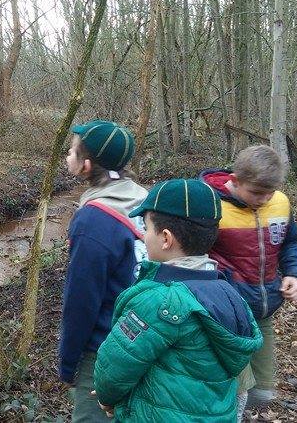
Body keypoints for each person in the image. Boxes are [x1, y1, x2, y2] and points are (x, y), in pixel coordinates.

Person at [93, 178, 264, 422]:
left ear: (165, 238)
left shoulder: (159, 301)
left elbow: (113, 369)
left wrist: (106, 398)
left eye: (146, 227)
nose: (143, 235)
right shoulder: (229, 293)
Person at [200, 145, 297, 412]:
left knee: (263, 392)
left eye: (270, 193)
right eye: (257, 193)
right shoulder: (211, 204)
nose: (264, 199)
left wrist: (294, 274)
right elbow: (196, 253)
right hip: (227, 312)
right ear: (235, 180)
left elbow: (290, 243)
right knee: (238, 390)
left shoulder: (280, 202)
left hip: (265, 306)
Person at [58, 120, 149, 422]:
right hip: (146, 339)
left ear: (86, 166)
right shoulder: (143, 200)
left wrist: (69, 363)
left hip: (105, 349)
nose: (66, 157)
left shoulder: (93, 221)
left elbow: (82, 300)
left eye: (71, 152)